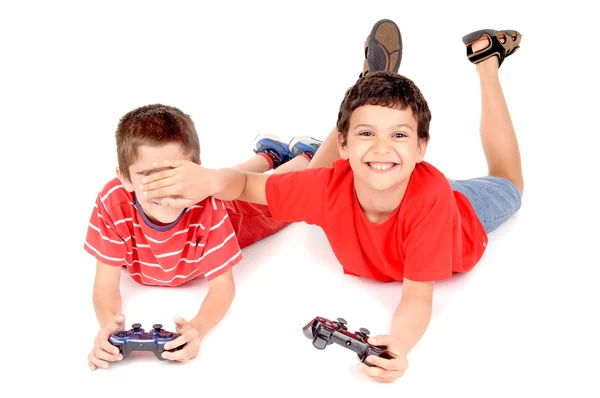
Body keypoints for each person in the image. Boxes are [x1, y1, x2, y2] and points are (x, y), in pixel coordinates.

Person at [139, 22, 524, 383]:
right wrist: (208, 179)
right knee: (314, 177)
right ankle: (367, 89)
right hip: (390, 175)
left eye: (400, 135)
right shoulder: (328, 185)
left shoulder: (432, 202)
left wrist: (401, 343)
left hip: (458, 210)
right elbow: (244, 186)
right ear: (343, 145)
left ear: (423, 147)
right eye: (367, 133)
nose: (382, 146)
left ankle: (487, 62)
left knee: (510, 184)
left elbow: (417, 297)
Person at [84, 103, 323, 370]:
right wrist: (108, 327)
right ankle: (270, 154)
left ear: (196, 171)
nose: (165, 189)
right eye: (149, 177)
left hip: (229, 215)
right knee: (234, 184)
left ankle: (305, 157)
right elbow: (105, 286)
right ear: (124, 178)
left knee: (271, 202)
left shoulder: (208, 209)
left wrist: (197, 327)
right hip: (208, 205)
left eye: (173, 174)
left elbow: (223, 288)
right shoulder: (112, 202)